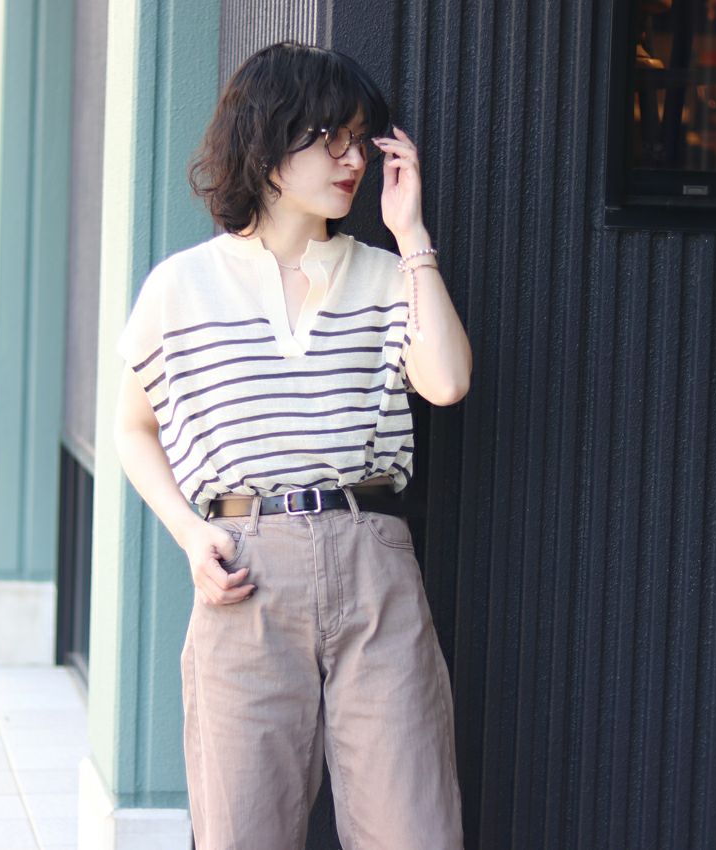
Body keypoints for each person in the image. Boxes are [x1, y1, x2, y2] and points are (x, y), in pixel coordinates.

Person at [113, 41, 472, 850]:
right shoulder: (181, 286)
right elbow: (133, 426)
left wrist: (412, 235)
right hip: (246, 568)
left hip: (373, 559)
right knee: (244, 830)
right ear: (268, 144)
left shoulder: (385, 276)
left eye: (359, 139)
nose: (353, 160)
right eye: (330, 138)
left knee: (414, 828)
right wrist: (190, 532)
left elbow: (447, 382)